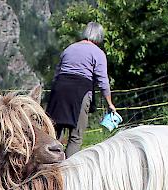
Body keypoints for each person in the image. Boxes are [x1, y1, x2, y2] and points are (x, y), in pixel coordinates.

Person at [46, 22, 117, 156]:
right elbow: (103, 81)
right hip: (80, 91)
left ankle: (50, 166)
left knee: (54, 132)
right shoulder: (98, 53)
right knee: (76, 135)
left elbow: (56, 74)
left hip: (59, 90)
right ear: (99, 36)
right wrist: (110, 103)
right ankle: (68, 169)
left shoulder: (69, 49)